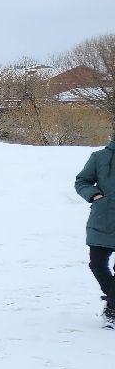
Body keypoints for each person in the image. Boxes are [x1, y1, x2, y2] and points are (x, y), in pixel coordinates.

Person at [74, 133, 115, 327]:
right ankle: (112, 302)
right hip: (102, 220)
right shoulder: (99, 157)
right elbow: (82, 181)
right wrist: (95, 196)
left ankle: (112, 308)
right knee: (97, 264)